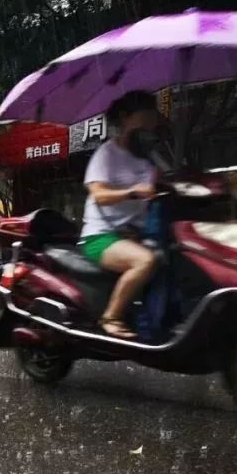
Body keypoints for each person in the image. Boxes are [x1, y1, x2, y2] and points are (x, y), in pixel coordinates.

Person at [79, 90, 161, 339]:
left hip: (136, 236)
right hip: (100, 237)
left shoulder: (149, 162)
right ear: (125, 119)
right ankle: (110, 317)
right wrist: (132, 191)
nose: (150, 124)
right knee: (145, 261)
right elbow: (99, 195)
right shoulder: (107, 154)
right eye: (144, 117)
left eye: (152, 118)